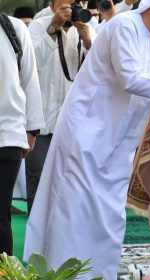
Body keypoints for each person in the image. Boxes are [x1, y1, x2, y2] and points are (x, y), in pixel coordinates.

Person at [24, 0, 150, 280]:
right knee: (74, 207)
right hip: (87, 131)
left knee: (110, 210)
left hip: (120, 138)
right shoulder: (123, 26)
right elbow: (131, 79)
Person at [26, 0, 95, 214]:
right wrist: (53, 27)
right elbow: (32, 62)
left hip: (71, 120)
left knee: (70, 180)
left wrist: (88, 40)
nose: (73, 5)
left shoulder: (85, 24)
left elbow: (99, 71)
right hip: (41, 118)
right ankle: (37, 237)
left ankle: (64, 237)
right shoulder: (38, 23)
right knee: (38, 176)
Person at [0, 12, 42, 256]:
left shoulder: (13, 28)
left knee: (0, 214)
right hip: (10, 133)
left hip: (8, 134)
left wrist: (31, 128)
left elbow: (29, 80)